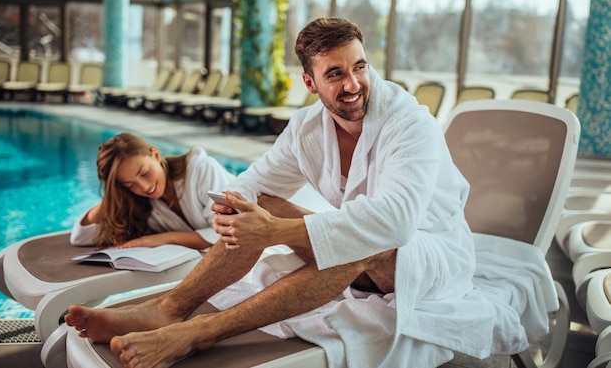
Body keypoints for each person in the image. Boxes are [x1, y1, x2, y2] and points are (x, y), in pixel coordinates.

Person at [65, 18, 494, 368]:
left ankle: (197, 333)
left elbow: (394, 223)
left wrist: (274, 233)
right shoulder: (307, 129)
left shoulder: (409, 123)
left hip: (432, 254)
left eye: (359, 66)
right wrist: (230, 209)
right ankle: (171, 308)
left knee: (365, 242)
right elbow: (254, 182)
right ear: (310, 82)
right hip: (371, 248)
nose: (353, 84)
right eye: (335, 74)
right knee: (259, 205)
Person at [70, 132, 235, 249]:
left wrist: (165, 238)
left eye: (144, 173)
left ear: (155, 155)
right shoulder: (139, 203)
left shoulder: (200, 169)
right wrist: (114, 194)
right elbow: (80, 237)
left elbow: (229, 231)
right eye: (130, 184)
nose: (144, 187)